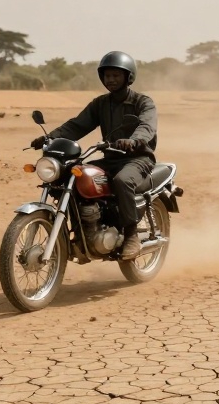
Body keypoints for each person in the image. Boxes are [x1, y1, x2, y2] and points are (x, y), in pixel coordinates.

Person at [31, 51, 157, 260]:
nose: (111, 80)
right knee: (76, 176)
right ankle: (84, 235)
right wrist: (49, 138)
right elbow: (77, 125)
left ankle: (131, 235)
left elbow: (146, 126)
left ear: (128, 77)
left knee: (122, 180)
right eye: (107, 76)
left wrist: (134, 140)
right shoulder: (100, 103)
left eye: (116, 75)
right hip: (110, 158)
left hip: (138, 158)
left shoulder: (143, 102)